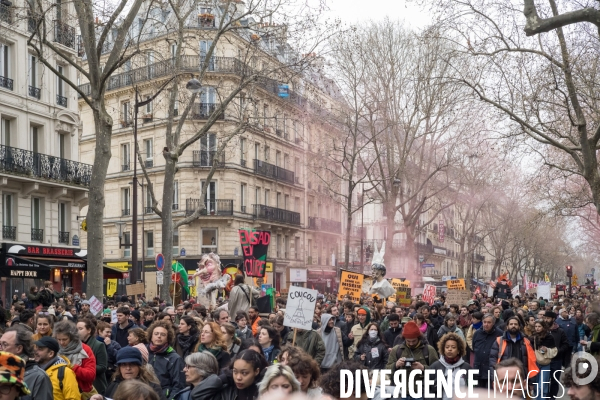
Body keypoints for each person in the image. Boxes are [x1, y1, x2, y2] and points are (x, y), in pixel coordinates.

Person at [386, 320, 439, 397]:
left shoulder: (429, 350)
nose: (411, 343)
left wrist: (423, 368)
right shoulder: (397, 350)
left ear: (418, 337)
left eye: (414, 341)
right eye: (408, 341)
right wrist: (396, 365)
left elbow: (437, 372)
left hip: (422, 393)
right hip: (401, 393)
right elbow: (387, 371)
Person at [0, 326, 53, 400]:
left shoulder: (39, 377)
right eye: (0, 344)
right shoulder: (1, 370)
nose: (0, 348)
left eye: (4, 345)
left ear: (19, 348)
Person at [98, 347, 165, 400]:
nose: (128, 368)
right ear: (119, 368)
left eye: (132, 364)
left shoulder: (153, 387)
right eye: (124, 365)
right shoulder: (113, 385)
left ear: (139, 367)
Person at [54, 320, 97, 397]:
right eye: (59, 339)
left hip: (81, 393)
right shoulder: (55, 349)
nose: (61, 343)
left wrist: (72, 367)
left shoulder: (85, 349)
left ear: (72, 337)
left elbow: (91, 375)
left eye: (64, 339)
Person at [427, 332, 473, 400]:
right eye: (447, 347)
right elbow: (427, 389)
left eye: (453, 347)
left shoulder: (467, 368)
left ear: (458, 350)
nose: (450, 349)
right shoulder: (435, 367)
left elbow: (474, 389)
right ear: (443, 349)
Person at [147, 320, 186, 399]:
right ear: (151, 336)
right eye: (156, 334)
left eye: (163, 334)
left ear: (168, 338)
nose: (159, 336)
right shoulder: (144, 353)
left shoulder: (174, 358)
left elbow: (178, 385)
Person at [77, 318, 108, 394]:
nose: (77, 331)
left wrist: (85, 368)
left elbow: (102, 366)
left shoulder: (99, 345)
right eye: (76, 329)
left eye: (80, 329)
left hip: (95, 386)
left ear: (89, 330)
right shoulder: (75, 346)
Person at [472, 313, 503, 388]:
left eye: (489, 322)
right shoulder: (477, 333)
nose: (486, 324)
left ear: (493, 323)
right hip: (478, 368)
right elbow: (474, 347)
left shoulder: (500, 334)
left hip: (492, 369)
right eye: (484, 322)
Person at [529, 319, 557, 400]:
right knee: (536, 385)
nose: (537, 328)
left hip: (545, 363)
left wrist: (546, 349)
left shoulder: (549, 337)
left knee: (543, 385)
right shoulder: (533, 337)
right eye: (536, 326)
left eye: (539, 326)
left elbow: (554, 349)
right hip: (535, 363)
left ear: (543, 327)